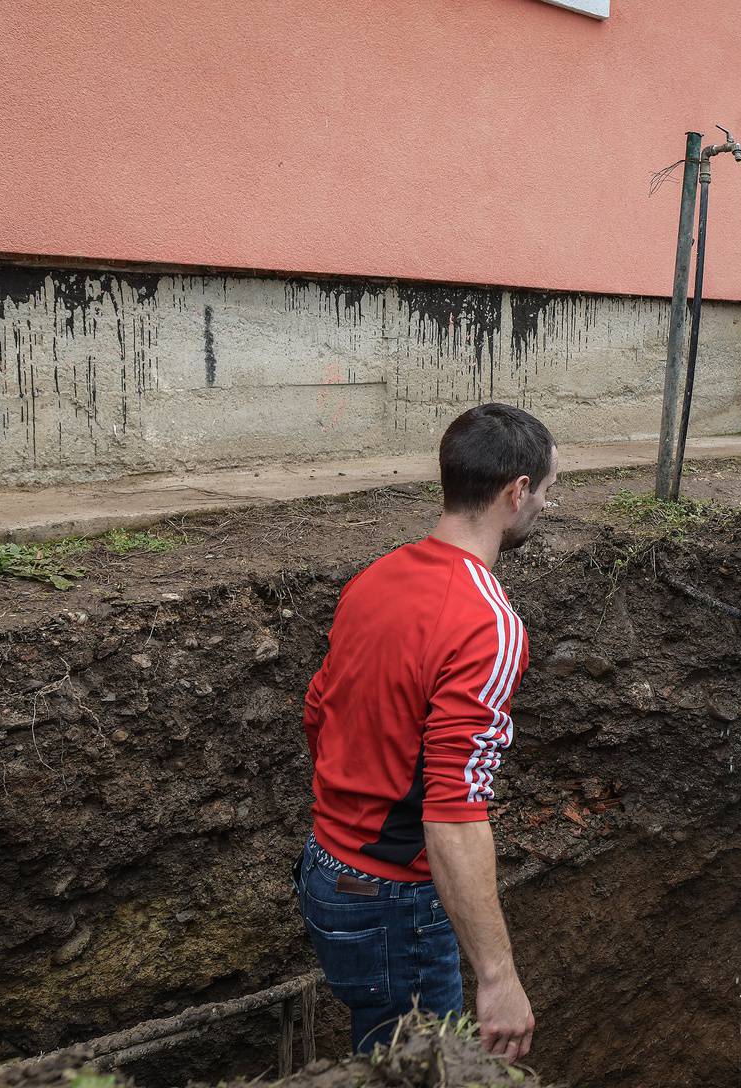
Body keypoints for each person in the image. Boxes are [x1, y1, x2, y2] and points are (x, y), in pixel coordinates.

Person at [299, 403, 555, 1059]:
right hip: (392, 905)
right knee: (419, 1070)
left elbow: (319, 711)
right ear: (516, 491)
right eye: (548, 491)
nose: (548, 507)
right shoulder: (486, 623)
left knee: (378, 1053)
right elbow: (453, 815)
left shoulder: (374, 578)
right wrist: (498, 979)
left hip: (326, 874)